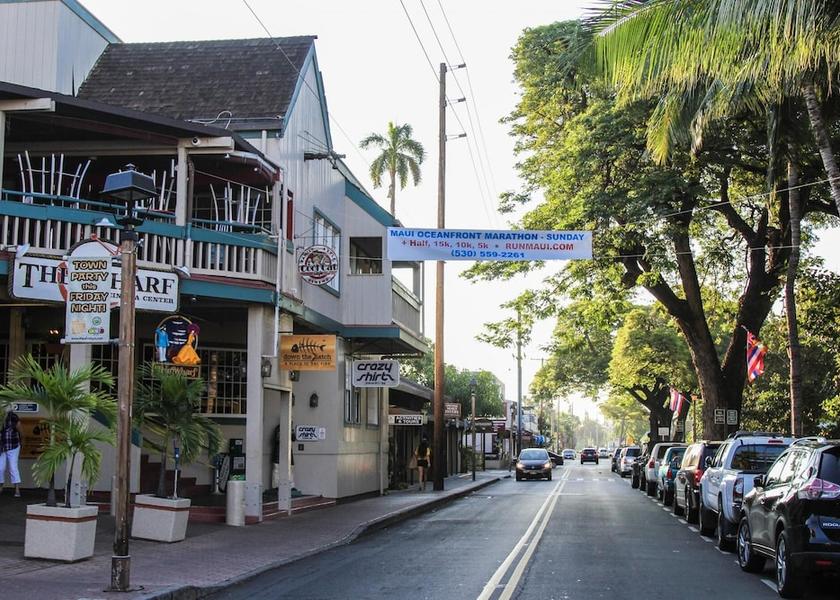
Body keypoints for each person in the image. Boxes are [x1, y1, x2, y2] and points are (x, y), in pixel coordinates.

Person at [0, 412, 22, 497]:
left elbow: (21, 433)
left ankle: (17, 489)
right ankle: (1, 486)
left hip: (13, 447)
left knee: (13, 468)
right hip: (2, 448)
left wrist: (22, 444)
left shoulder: (14, 418)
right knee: (0, 468)